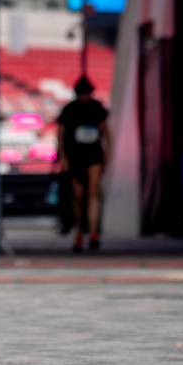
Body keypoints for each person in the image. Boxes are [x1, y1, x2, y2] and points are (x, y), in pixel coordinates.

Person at [56, 76, 111, 252]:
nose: (84, 97)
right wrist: (63, 158)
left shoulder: (97, 108)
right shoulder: (70, 109)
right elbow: (61, 134)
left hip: (93, 156)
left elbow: (106, 132)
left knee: (93, 194)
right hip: (75, 157)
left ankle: (94, 233)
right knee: (78, 197)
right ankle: (80, 230)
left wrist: (107, 155)